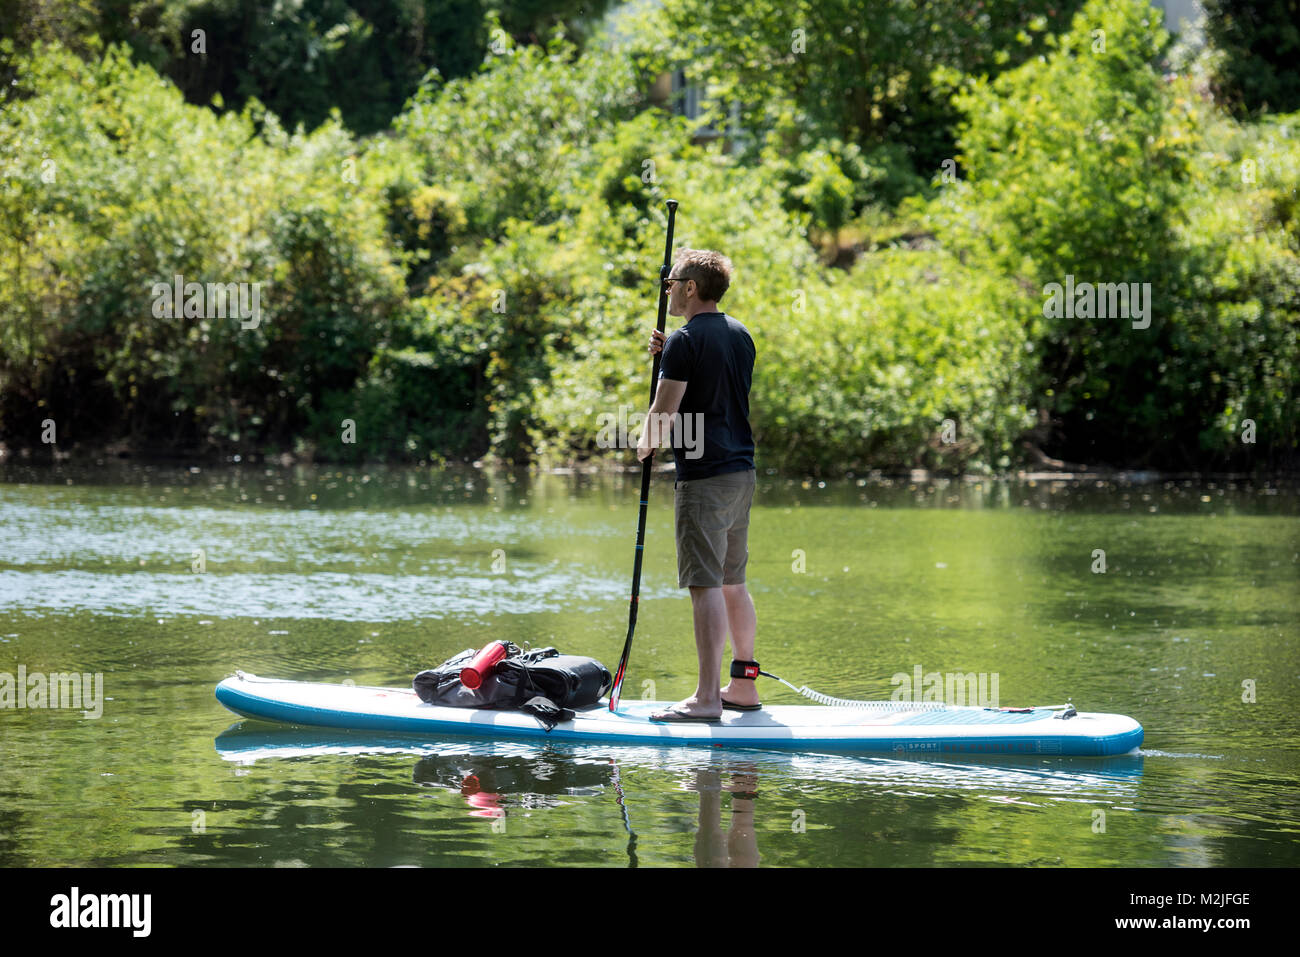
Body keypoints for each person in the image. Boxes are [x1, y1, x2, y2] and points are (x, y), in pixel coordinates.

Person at [635, 248, 759, 721]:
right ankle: (742, 687)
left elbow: (665, 412)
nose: (667, 288)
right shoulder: (740, 334)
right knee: (733, 580)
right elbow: (713, 381)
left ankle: (707, 699)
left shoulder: (685, 341)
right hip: (740, 471)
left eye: (672, 282)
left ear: (690, 287)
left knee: (704, 585)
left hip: (704, 477)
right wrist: (672, 353)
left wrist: (643, 446)